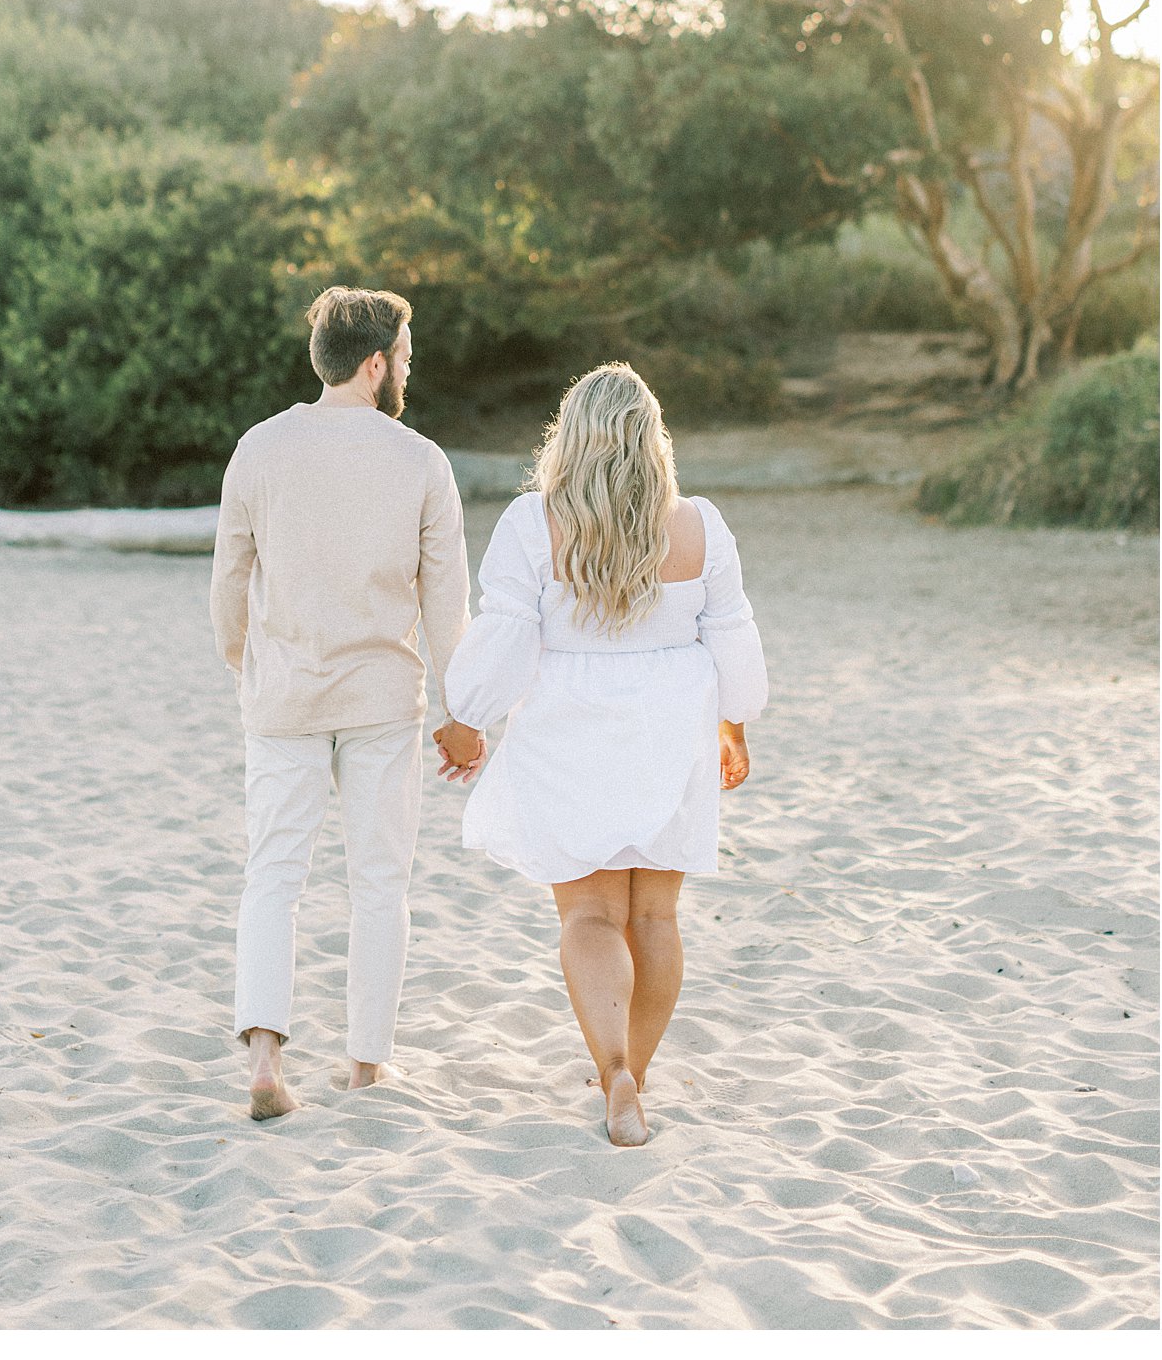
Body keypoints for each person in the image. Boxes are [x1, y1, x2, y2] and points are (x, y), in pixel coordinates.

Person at [436, 362, 768, 1147]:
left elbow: (507, 635)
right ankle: (635, 1079)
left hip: (568, 729)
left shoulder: (531, 522)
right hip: (670, 728)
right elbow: (733, 638)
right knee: (653, 915)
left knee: (589, 913)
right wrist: (736, 724)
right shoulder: (698, 526)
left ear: (571, 438)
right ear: (652, 441)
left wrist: (466, 718)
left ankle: (613, 1069)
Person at [210, 285, 484, 1119]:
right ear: (374, 366)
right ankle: (365, 1065)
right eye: (404, 355)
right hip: (379, 699)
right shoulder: (420, 462)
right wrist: (460, 713)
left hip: (284, 695)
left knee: (273, 875)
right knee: (378, 880)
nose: (408, 367)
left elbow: (229, 584)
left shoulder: (258, 449)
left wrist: (248, 666)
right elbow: (447, 607)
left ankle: (264, 1057)